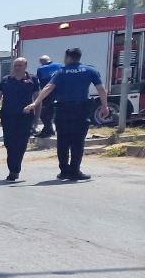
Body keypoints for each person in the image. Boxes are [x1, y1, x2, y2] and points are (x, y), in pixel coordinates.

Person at [24, 47, 110, 181]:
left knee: (63, 141)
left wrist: (36, 103)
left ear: (68, 58)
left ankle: (64, 171)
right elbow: (101, 89)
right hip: (81, 111)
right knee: (78, 142)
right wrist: (105, 106)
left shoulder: (61, 72)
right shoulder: (90, 70)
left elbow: (48, 87)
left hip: (63, 110)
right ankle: (75, 171)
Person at [0, 57, 41, 181]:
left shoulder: (32, 80)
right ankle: (13, 167)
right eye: (15, 65)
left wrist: (37, 118)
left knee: (21, 143)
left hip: (25, 117)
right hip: (8, 116)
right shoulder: (6, 80)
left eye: (20, 65)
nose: (17, 67)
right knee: (9, 143)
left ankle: (14, 170)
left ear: (25, 66)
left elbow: (38, 99)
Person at [35, 55, 61, 137]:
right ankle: (54, 130)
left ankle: (48, 129)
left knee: (44, 112)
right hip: (61, 92)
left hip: (49, 93)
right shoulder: (60, 65)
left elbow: (40, 82)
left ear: (41, 62)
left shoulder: (41, 69)